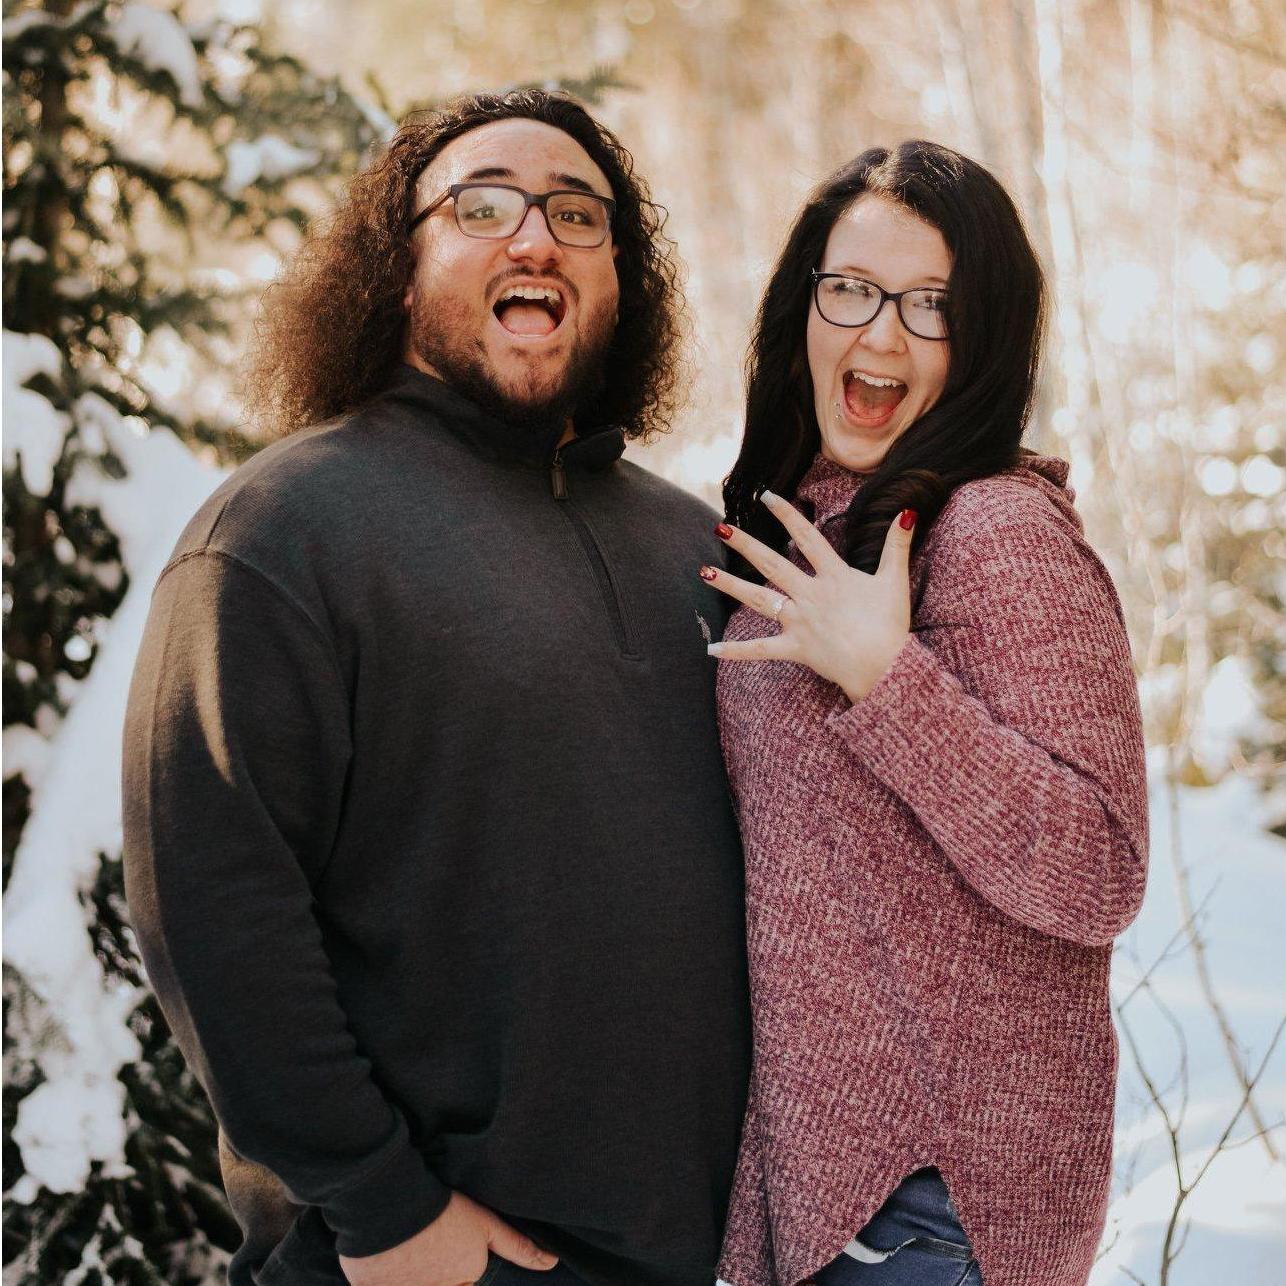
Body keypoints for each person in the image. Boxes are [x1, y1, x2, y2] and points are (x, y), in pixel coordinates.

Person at [122, 89, 751, 1286]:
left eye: (577, 214)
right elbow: (212, 903)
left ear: (621, 282)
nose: (534, 237)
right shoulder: (283, 528)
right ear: (397, 269)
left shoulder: (696, 547)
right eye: (482, 204)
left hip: (695, 1256)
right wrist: (382, 1205)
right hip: (420, 1260)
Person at [700, 142, 1148, 1286]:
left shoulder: (996, 533)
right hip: (827, 1192)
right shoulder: (803, 517)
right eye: (848, 289)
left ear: (984, 336)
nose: (879, 336)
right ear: (802, 305)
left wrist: (888, 682)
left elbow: (1098, 866)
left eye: (929, 305)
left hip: (928, 1208)